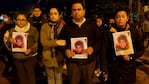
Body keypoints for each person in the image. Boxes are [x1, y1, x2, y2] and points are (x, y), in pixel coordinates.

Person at [59, 1, 107, 84]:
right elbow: (60, 42)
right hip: (73, 64)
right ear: (71, 12)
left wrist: (93, 48)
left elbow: (99, 41)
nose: (76, 12)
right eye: (74, 10)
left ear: (84, 11)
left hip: (88, 63)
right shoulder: (67, 27)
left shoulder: (92, 25)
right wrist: (65, 50)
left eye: (79, 9)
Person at [103, 8, 144, 84]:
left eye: (123, 16)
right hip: (113, 70)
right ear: (115, 19)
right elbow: (104, 52)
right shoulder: (109, 33)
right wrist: (105, 70)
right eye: (118, 17)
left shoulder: (134, 31)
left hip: (129, 69)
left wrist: (131, 57)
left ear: (127, 18)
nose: (120, 19)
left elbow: (141, 50)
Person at [6, 13, 39, 84]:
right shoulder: (12, 30)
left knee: (30, 77)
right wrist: (9, 40)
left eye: (23, 19)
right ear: (16, 21)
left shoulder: (33, 30)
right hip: (17, 58)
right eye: (18, 19)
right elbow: (8, 45)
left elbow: (38, 42)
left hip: (30, 58)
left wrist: (31, 50)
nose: (21, 21)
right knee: (21, 78)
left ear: (27, 21)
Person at [40, 7, 66, 84]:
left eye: (55, 13)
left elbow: (65, 42)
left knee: (59, 78)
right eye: (51, 14)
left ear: (59, 15)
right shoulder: (45, 26)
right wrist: (57, 42)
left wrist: (51, 42)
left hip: (59, 57)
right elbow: (44, 42)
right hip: (48, 56)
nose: (53, 16)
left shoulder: (63, 26)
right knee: (50, 78)